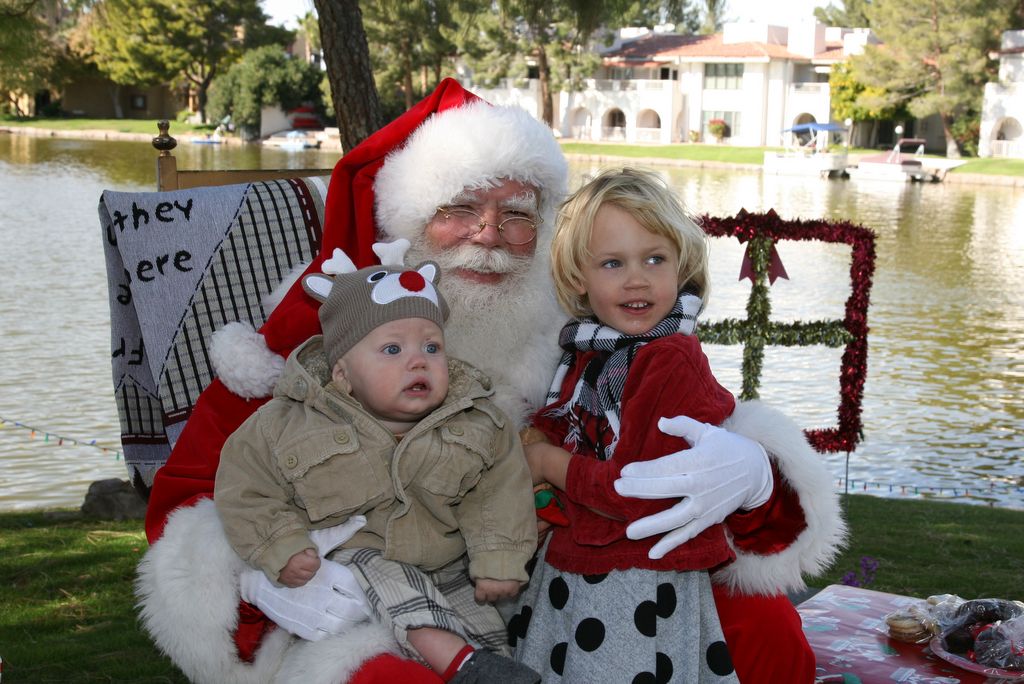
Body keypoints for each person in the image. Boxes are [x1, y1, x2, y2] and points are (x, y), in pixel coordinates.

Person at [137, 78, 845, 684]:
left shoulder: (578, 321)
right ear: (408, 220)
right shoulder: (313, 329)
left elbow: (681, 452)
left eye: (516, 215)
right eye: (459, 210)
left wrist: (757, 475)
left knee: (763, 627)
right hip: (372, 599)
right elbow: (191, 493)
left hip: (557, 570)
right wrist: (259, 580)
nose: (488, 234)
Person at [213, 251, 539, 683]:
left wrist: (499, 556)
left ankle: (486, 664)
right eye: (391, 349)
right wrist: (281, 546)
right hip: (352, 566)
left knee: (487, 631)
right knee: (377, 569)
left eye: (431, 346)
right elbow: (245, 487)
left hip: (445, 565)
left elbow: (499, 492)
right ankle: (459, 662)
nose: (418, 360)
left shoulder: (477, 421)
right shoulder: (285, 425)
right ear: (343, 374)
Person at [510, 167, 764, 681]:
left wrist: (543, 461)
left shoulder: (668, 360)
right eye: (612, 263)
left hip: (636, 586)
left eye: (655, 259)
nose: (637, 279)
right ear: (579, 277)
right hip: (585, 570)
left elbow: (634, 490)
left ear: (681, 266)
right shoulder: (594, 351)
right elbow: (577, 426)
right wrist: (539, 440)